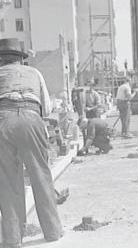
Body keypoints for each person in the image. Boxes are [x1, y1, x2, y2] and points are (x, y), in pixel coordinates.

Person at [0, 38, 62, 248]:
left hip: (3, 120)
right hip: (31, 116)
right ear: (21, 59)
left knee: (7, 181)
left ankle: (13, 238)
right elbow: (46, 107)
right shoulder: (34, 74)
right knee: (41, 175)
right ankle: (52, 232)